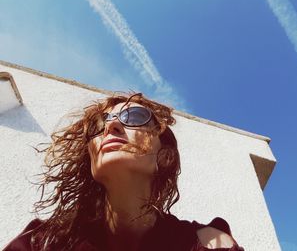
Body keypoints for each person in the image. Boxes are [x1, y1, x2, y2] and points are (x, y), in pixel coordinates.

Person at [4, 92, 244, 251]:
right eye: (99, 126)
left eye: (134, 117)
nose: (111, 126)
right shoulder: (44, 241)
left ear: (166, 155)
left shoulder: (207, 243)